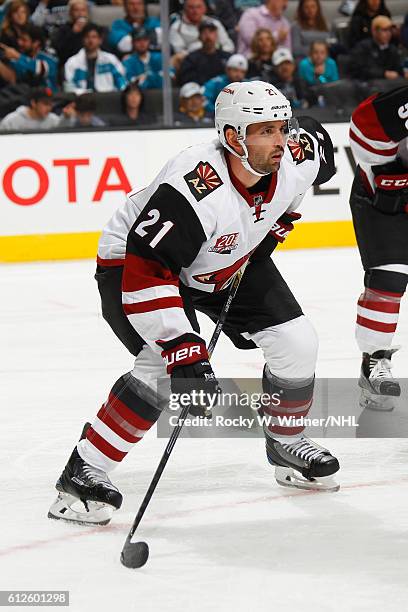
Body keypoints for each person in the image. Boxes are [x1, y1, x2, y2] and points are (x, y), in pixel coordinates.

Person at [48, 80, 340, 527]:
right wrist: (183, 349)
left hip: (223, 259)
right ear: (231, 136)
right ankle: (83, 471)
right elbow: (147, 273)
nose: (279, 141)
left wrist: (270, 232)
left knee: (298, 342)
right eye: (264, 131)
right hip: (136, 265)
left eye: (282, 127)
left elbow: (307, 165)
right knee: (162, 369)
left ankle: (286, 442)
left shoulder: (295, 156)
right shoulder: (194, 186)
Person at [348, 86, 408, 411]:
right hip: (386, 204)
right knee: (390, 279)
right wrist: (391, 174)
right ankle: (374, 361)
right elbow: (363, 125)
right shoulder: (397, 105)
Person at [64, 23, 127, 94]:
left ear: (100, 40)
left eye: (94, 37)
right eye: (87, 37)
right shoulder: (72, 62)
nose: (90, 40)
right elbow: (69, 87)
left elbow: (121, 81)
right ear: (82, 40)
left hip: (107, 99)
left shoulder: (110, 60)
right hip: (81, 100)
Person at [0, 23, 58, 90]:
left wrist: (18, 56)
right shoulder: (21, 56)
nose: (19, 42)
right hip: (26, 96)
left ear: (36, 43)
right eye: (19, 39)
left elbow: (42, 69)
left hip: (49, 97)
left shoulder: (49, 54)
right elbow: (12, 78)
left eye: (24, 40)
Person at [349, 16, 403, 82]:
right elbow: (358, 71)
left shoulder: (392, 49)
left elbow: (399, 70)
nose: (388, 33)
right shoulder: (362, 48)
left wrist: (403, 73)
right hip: (368, 88)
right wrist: (383, 74)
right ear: (374, 31)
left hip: (390, 87)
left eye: (390, 30)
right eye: (384, 30)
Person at [169, 0, 234, 55]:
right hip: (191, 62)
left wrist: (217, 54)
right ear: (185, 9)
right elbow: (179, 52)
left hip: (216, 59)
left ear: (204, 8)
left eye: (198, 7)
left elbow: (229, 46)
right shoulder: (176, 27)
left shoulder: (215, 23)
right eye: (191, 7)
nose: (195, 11)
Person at [178, 19, 231, 86]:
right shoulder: (191, 59)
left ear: (216, 35)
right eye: (204, 32)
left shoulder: (226, 57)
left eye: (211, 32)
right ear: (199, 36)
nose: (208, 36)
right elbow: (187, 81)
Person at [0, 86, 73, 130]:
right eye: (45, 104)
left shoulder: (53, 119)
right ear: (33, 103)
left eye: (51, 104)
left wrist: (66, 118)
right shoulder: (12, 120)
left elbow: (62, 135)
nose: (49, 108)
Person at [51, 0, 90, 68]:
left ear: (87, 12)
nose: (80, 13)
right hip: (69, 64)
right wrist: (73, 33)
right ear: (70, 13)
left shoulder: (94, 29)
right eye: (76, 10)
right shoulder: (63, 29)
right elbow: (60, 52)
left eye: (83, 10)